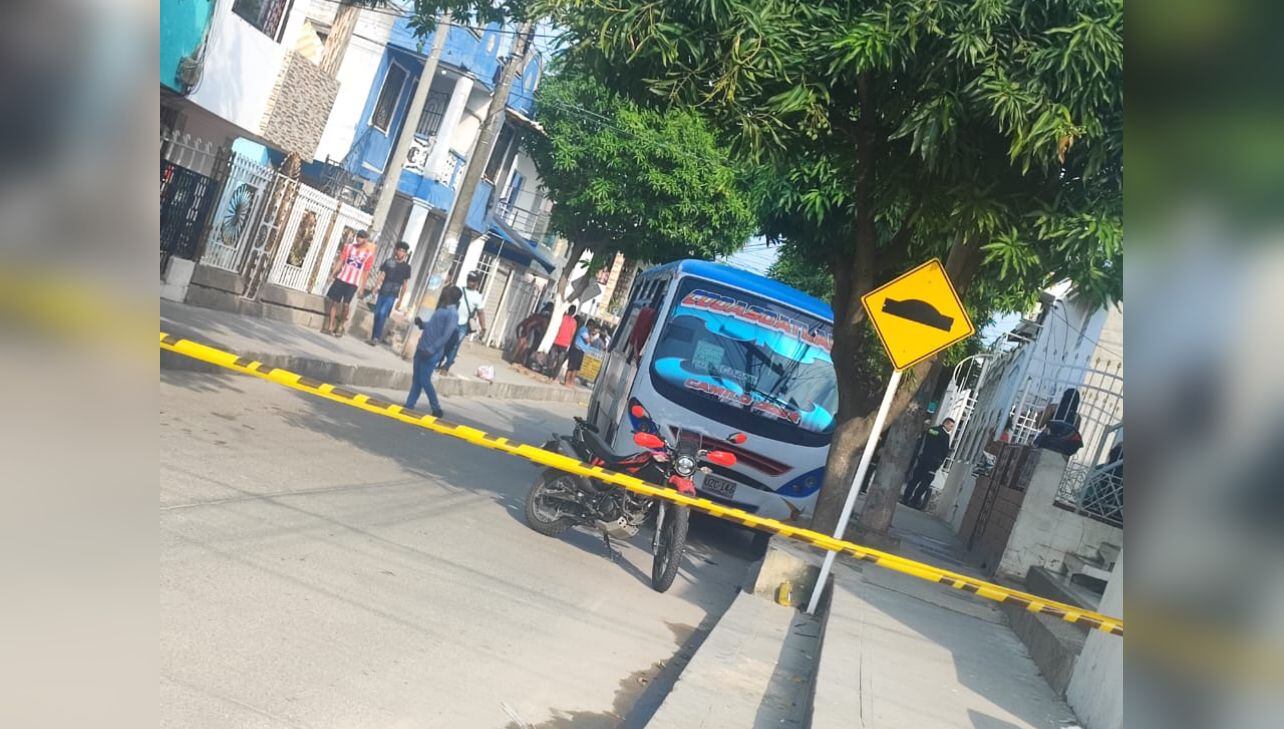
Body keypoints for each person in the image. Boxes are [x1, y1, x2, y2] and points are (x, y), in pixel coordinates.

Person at [405, 286, 461, 417]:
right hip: (422, 346)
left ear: (451, 296)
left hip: (432, 351)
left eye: (448, 291)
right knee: (417, 378)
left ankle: (436, 408)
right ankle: (409, 404)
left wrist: (432, 349)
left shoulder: (453, 314)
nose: (445, 291)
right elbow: (431, 326)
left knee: (424, 379)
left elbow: (446, 335)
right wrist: (421, 324)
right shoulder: (442, 309)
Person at [323, 230, 377, 337]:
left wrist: (362, 288)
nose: (358, 239)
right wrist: (333, 272)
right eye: (358, 237)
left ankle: (341, 324)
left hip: (353, 282)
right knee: (335, 302)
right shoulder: (348, 247)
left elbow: (365, 272)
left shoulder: (369, 255)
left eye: (361, 237)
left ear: (366, 239)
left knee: (346, 305)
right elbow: (341, 261)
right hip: (342, 278)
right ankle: (330, 327)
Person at [438, 270, 487, 376]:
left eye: (473, 280)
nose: (470, 282)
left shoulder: (477, 297)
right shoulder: (459, 289)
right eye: (469, 279)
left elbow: (481, 313)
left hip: (463, 325)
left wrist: (483, 328)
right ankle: (438, 363)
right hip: (450, 321)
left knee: (454, 346)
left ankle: (446, 367)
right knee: (444, 342)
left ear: (478, 283)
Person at [364, 241, 412, 346]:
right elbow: (382, 275)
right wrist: (375, 287)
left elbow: (405, 284)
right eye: (399, 250)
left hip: (392, 294)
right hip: (383, 291)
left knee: (382, 314)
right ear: (396, 250)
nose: (400, 253)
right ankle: (373, 337)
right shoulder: (389, 262)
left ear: (405, 254)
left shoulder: (406, 267)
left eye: (403, 251)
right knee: (377, 314)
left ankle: (376, 337)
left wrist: (400, 300)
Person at [901, 418, 955, 510]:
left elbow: (926, 438)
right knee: (925, 483)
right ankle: (914, 501)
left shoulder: (932, 430)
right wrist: (940, 462)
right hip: (933, 464)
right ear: (946, 424)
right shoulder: (945, 436)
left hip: (923, 459)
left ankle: (905, 498)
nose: (952, 428)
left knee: (914, 480)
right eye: (951, 426)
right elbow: (944, 451)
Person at [512, 301, 553, 368]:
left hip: (526, 330)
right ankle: (518, 360)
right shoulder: (544, 316)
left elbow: (521, 325)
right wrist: (528, 334)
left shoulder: (540, 313)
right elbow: (530, 325)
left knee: (521, 345)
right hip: (529, 331)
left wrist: (519, 334)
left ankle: (515, 359)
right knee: (525, 346)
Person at [562, 318, 597, 387]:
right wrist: (592, 335)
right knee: (571, 367)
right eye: (592, 327)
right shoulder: (583, 330)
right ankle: (566, 381)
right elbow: (588, 340)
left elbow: (591, 341)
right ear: (590, 325)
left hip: (582, 352)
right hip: (577, 350)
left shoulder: (587, 331)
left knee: (576, 368)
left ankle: (571, 382)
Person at [547, 304, 578, 379]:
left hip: (556, 340)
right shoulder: (574, 322)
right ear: (574, 312)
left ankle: (549, 371)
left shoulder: (562, 317)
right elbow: (573, 333)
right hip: (565, 343)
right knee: (559, 361)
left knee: (552, 357)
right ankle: (554, 375)